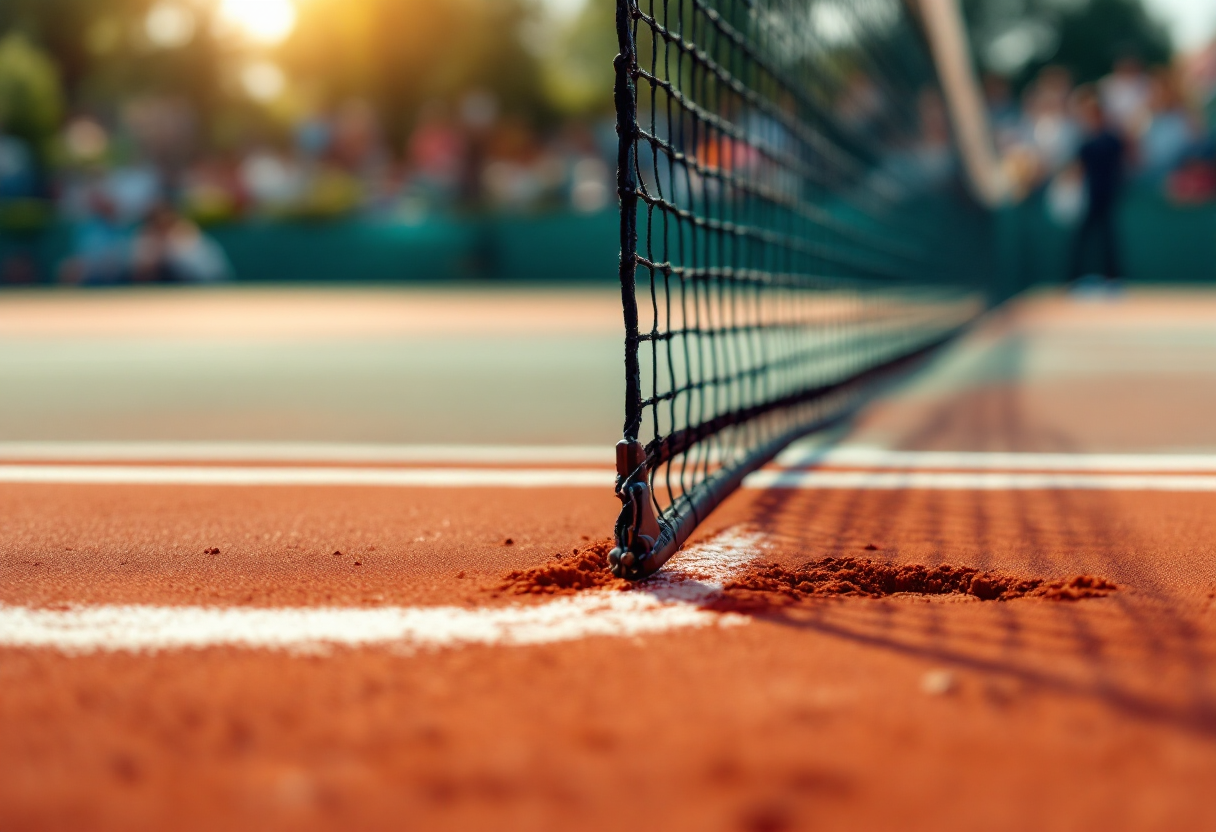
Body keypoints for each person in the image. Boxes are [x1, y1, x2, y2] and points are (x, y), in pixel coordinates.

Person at [1069, 86, 1125, 284]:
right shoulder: (1087, 141)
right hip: (1091, 196)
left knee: (1106, 238)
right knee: (1085, 238)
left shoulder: (1110, 140)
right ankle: (1072, 277)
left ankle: (1114, 276)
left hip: (1106, 195)